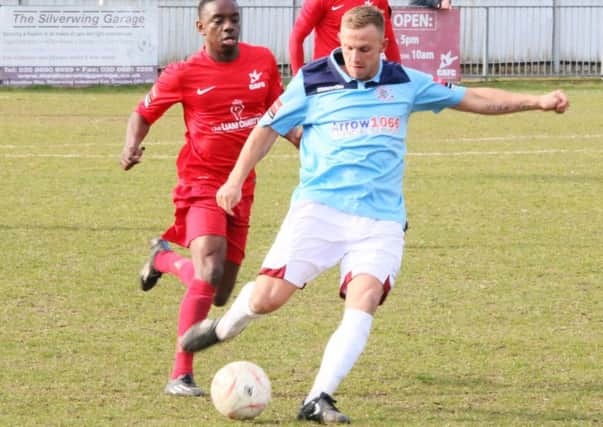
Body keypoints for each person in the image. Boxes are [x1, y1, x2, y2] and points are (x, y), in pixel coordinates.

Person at [180, 5, 569, 423]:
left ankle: (318, 397)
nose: (355, 57)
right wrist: (235, 179)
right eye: (348, 47)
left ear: (383, 45)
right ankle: (225, 328)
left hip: (381, 220)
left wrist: (537, 101)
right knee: (266, 299)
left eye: (364, 48)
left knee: (364, 299)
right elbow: (266, 129)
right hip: (319, 211)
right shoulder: (312, 80)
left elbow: (473, 98)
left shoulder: (405, 81)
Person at [120, 0, 299, 397]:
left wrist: (303, 141)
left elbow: (277, 113)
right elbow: (143, 113)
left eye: (234, 19)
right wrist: (131, 146)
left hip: (242, 187)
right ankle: (180, 373)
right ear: (200, 27)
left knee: (219, 295)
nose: (228, 26)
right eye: (218, 20)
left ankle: (162, 258)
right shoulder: (183, 72)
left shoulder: (262, 61)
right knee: (210, 270)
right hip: (201, 183)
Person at [289, 0, 401, 75]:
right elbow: (296, 38)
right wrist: (298, 79)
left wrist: (399, 74)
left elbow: (388, 38)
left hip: (365, 74)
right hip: (329, 75)